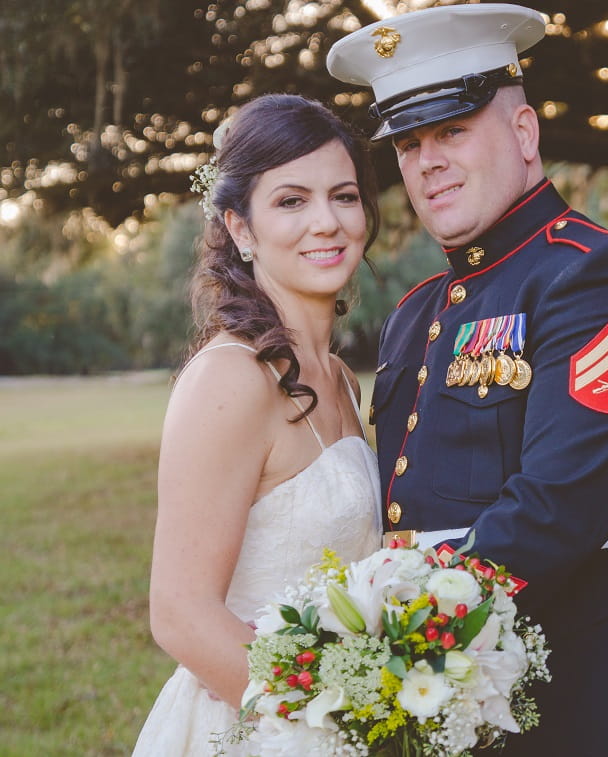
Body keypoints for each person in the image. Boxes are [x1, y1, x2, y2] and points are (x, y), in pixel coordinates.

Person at [328, 4, 608, 755]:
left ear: (524, 134)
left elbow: (558, 504)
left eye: (452, 130)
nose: (427, 161)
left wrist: (401, 632)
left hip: (600, 675)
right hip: (449, 682)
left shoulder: (594, 274)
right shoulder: (414, 314)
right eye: (409, 143)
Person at [132, 93, 382, 756]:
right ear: (241, 228)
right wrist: (343, 714)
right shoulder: (232, 377)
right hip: (267, 726)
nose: (326, 222)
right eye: (292, 200)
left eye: (345, 195)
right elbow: (182, 613)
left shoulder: (340, 379)